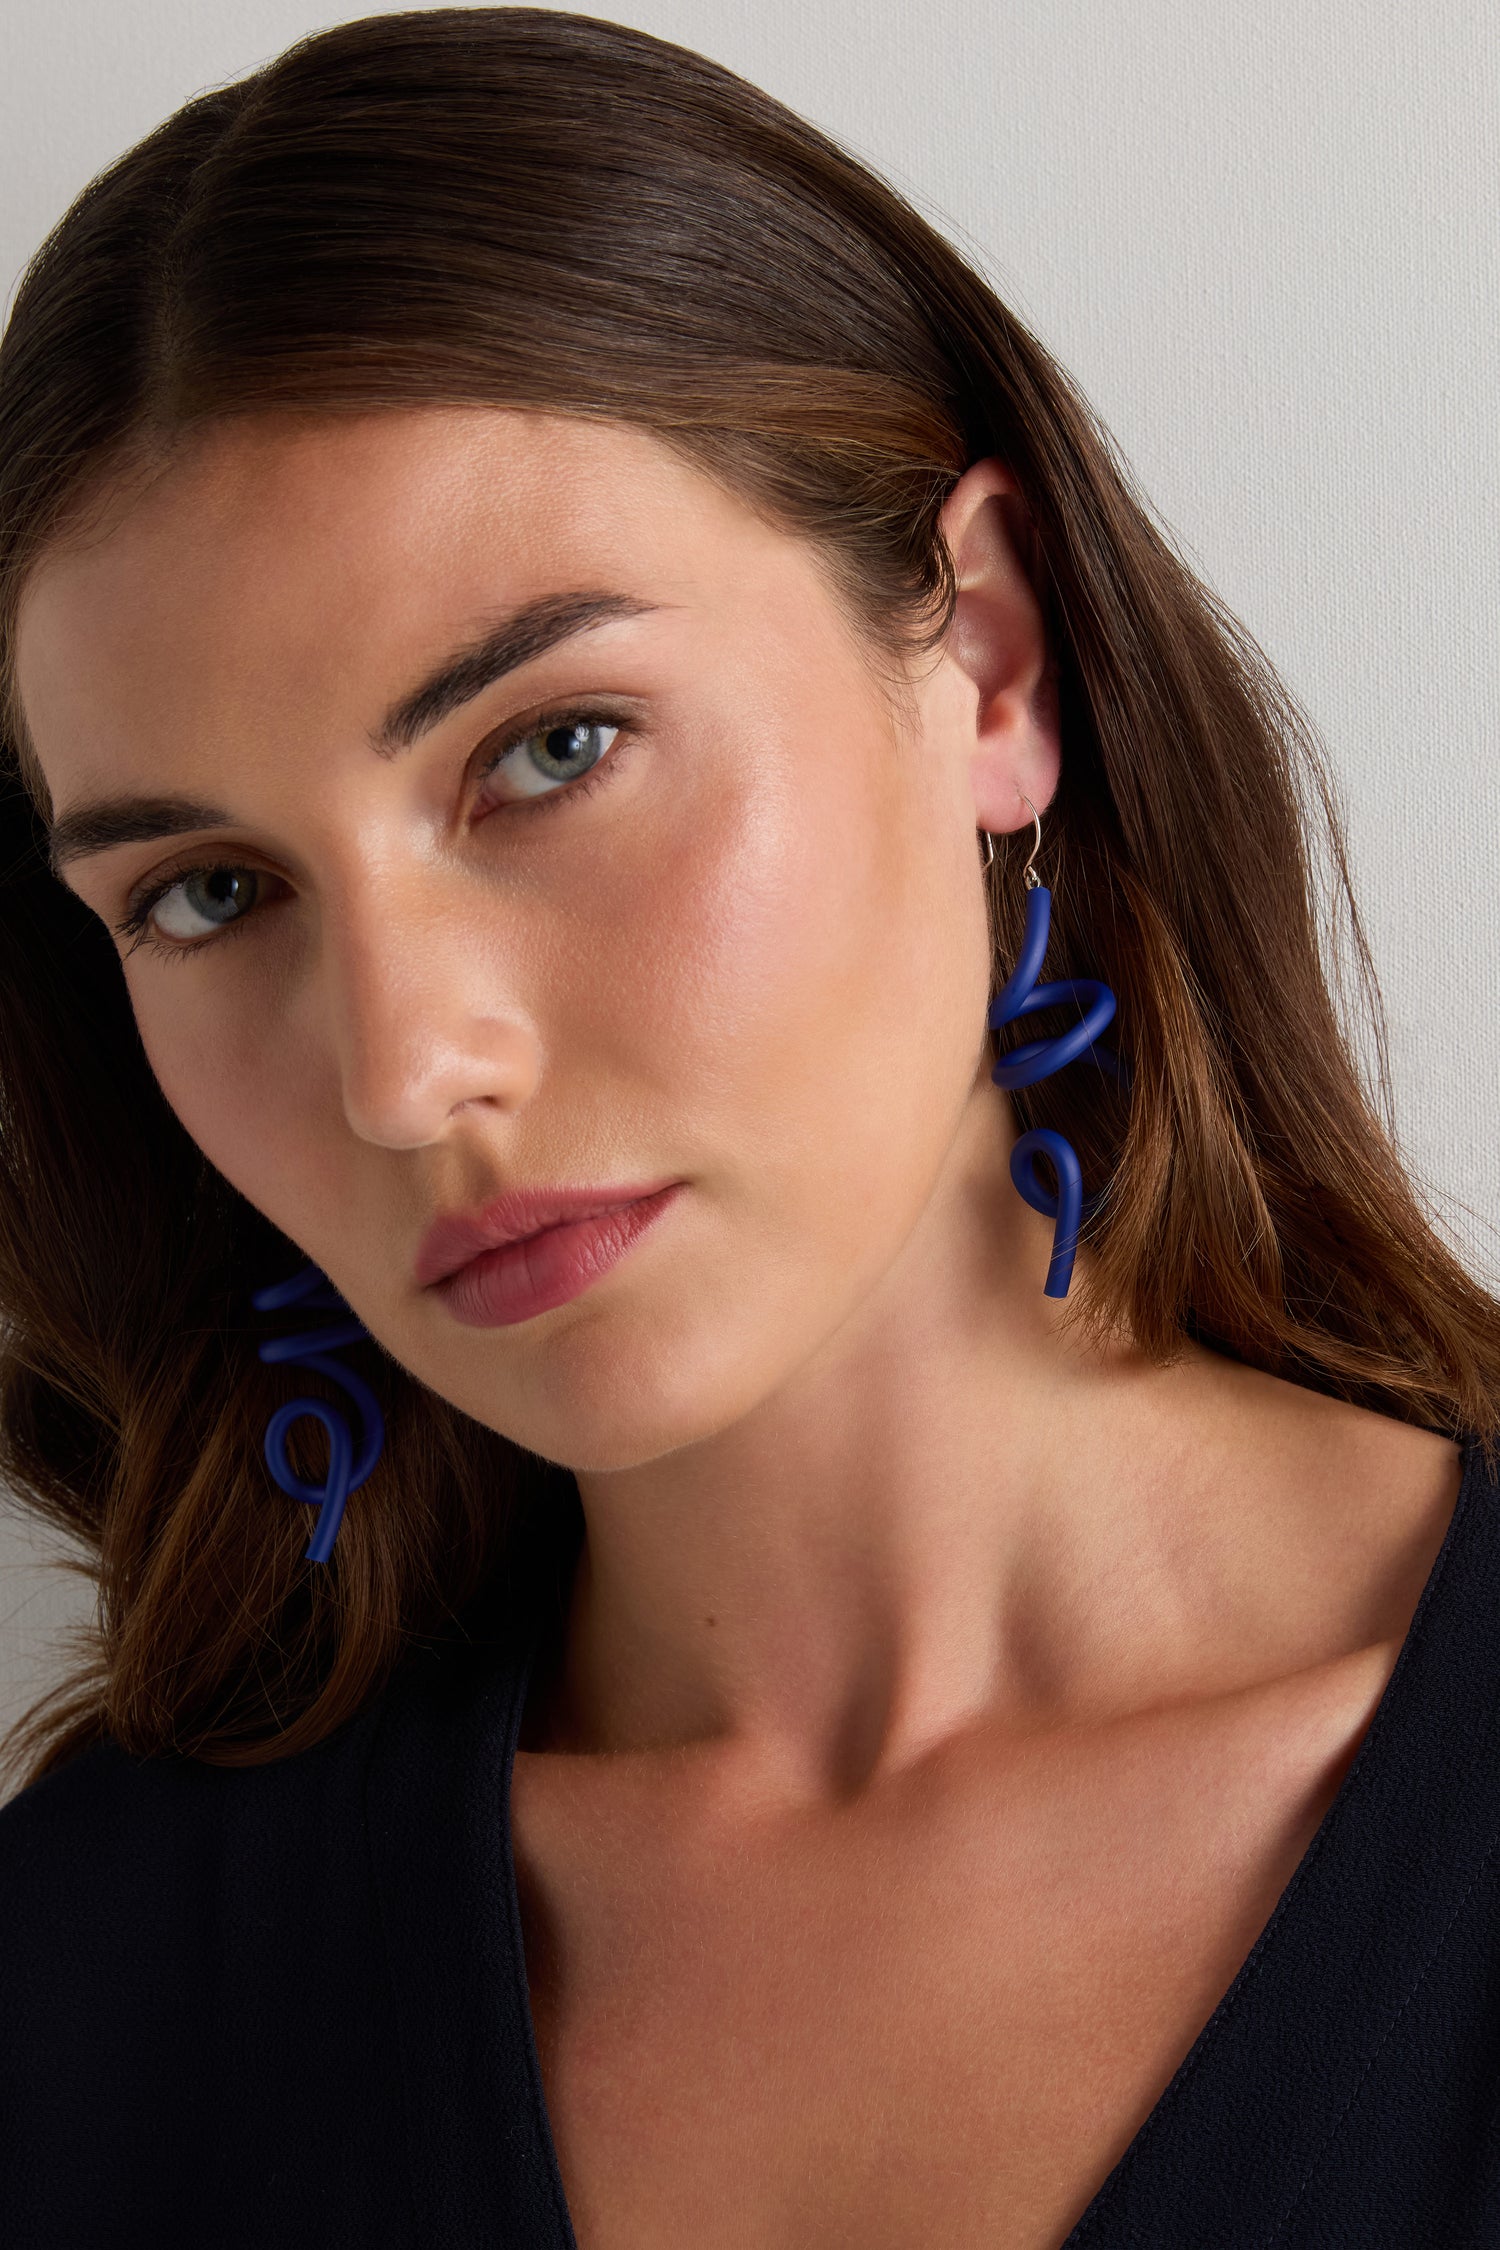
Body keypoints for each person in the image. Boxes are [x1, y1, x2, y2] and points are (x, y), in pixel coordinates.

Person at [0, 9, 1496, 2246]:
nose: (408, 1071)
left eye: (553, 747)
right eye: (210, 894)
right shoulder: (95, 1984)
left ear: (989, 661)